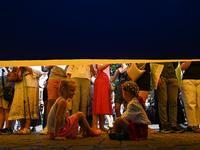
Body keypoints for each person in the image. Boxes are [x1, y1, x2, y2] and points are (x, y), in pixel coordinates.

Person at [8, 66, 42, 135]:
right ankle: (22, 127)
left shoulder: (35, 62)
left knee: (28, 105)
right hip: (19, 84)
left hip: (31, 84)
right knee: (20, 105)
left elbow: (39, 73)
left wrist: (25, 66)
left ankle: (27, 127)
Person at [154, 62, 184, 133]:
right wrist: (156, 76)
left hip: (173, 77)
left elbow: (176, 64)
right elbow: (154, 64)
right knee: (163, 102)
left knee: (174, 102)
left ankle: (173, 124)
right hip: (162, 77)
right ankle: (165, 125)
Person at [40, 65, 66, 135]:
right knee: (51, 101)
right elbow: (44, 69)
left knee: (63, 102)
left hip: (65, 77)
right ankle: (49, 126)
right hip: (53, 78)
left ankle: (62, 126)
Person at [135, 63, 157, 133]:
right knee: (139, 105)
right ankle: (142, 127)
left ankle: (143, 127)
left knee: (140, 104)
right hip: (137, 77)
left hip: (141, 77)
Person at [92, 64, 113, 132]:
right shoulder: (100, 59)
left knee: (102, 105)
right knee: (97, 102)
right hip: (100, 81)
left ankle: (101, 126)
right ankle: (95, 125)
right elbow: (100, 68)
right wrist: (110, 62)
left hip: (105, 81)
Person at [181, 61, 200, 133]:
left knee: (199, 103)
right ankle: (194, 125)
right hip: (188, 79)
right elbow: (183, 67)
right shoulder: (187, 53)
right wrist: (190, 60)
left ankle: (195, 124)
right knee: (190, 103)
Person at [0, 67, 14, 134]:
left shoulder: (10, 67)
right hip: (0, 91)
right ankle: (0, 127)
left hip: (7, 91)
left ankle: (7, 128)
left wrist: (8, 70)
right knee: (1, 110)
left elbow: (12, 78)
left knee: (7, 110)